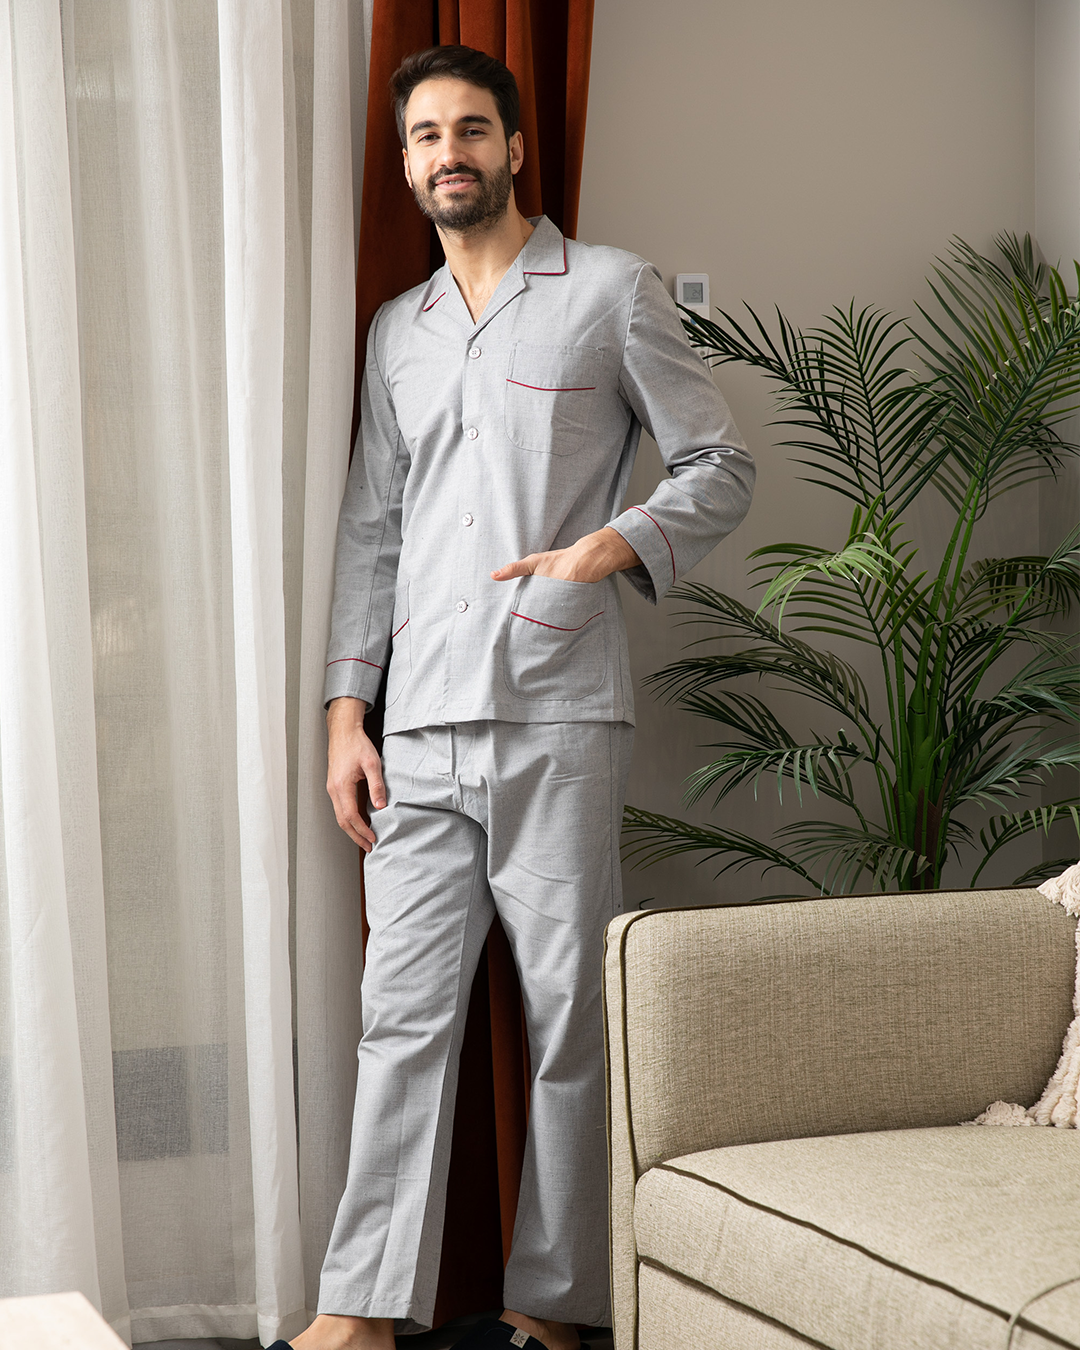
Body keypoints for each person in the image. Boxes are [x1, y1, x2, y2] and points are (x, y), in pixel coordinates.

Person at [282, 44, 754, 1350]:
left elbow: (719, 463)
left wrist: (613, 546)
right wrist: (344, 713)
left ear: (515, 147)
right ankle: (358, 1311)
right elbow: (372, 528)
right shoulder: (399, 331)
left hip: (559, 712)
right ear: (407, 164)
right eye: (426, 136)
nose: (450, 153)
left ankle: (553, 1308)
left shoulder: (608, 291)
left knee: (567, 1024)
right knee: (399, 1022)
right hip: (418, 728)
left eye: (471, 129)